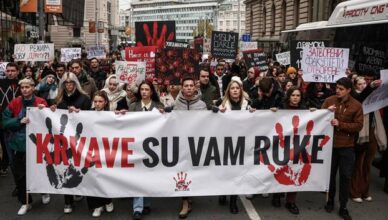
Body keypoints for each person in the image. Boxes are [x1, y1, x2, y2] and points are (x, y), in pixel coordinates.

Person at [2, 78, 48, 215]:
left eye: (27, 87)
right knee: (19, 175)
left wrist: (44, 111)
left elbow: (49, 121)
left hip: (36, 145)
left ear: (33, 88)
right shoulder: (15, 102)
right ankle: (25, 202)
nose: (25, 90)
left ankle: (44, 192)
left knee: (39, 171)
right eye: (22, 88)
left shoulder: (41, 102)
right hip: (18, 144)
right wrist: (18, 121)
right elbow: (4, 121)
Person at [164, 76, 207, 219]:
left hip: (196, 144)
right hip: (181, 144)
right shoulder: (176, 104)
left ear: (195, 88)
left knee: (193, 171)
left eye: (191, 85)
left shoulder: (201, 105)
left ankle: (189, 197)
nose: (188, 88)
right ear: (182, 88)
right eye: (186, 86)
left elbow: (208, 123)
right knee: (182, 172)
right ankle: (184, 202)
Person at [322, 77, 364, 220]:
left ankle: (343, 206)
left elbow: (358, 126)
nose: (337, 91)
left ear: (349, 90)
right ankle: (330, 201)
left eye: (341, 89)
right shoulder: (329, 100)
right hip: (330, 146)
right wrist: (326, 113)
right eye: (337, 88)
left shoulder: (357, 105)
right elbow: (319, 118)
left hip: (347, 147)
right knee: (330, 175)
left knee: (345, 177)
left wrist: (340, 124)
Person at [52, 72, 92, 214]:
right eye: (66, 83)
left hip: (80, 139)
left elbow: (90, 117)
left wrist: (79, 112)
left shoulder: (85, 98)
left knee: (79, 167)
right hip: (64, 140)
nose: (69, 85)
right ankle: (67, 200)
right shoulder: (58, 99)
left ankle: (79, 191)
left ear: (76, 83)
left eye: (71, 83)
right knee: (64, 166)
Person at [216, 76, 253, 214]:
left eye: (237, 88)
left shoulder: (248, 104)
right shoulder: (221, 103)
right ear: (228, 90)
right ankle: (223, 192)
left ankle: (233, 200)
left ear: (241, 90)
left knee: (237, 173)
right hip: (225, 143)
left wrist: (253, 113)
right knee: (225, 171)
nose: (235, 90)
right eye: (232, 88)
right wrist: (217, 112)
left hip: (241, 143)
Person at [128, 81, 164, 220]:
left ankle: (146, 203)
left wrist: (164, 114)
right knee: (138, 177)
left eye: (147, 89)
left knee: (148, 176)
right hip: (136, 146)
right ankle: (137, 208)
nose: (144, 92)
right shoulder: (133, 106)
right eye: (142, 89)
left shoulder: (159, 106)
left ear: (151, 92)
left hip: (153, 148)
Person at [270, 86, 309, 215]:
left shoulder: (305, 110)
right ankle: (277, 194)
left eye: (298, 95)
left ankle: (290, 201)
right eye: (293, 95)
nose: (295, 98)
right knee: (280, 169)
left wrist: (313, 113)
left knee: (295, 170)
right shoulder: (281, 108)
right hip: (282, 145)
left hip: (297, 146)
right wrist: (273, 112)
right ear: (289, 96)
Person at [350, 76, 386, 203]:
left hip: (372, 132)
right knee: (359, 164)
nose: (363, 85)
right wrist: (370, 87)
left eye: (364, 83)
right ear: (355, 86)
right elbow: (361, 97)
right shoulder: (354, 97)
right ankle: (355, 192)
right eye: (359, 84)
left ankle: (365, 191)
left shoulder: (372, 96)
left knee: (367, 165)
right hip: (361, 133)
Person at [86, 91, 114, 217]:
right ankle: (96, 205)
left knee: (105, 176)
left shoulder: (111, 115)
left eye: (100, 101)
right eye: (95, 101)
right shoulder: (86, 114)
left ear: (105, 102)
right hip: (90, 150)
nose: (97, 104)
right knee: (92, 177)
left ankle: (107, 200)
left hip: (105, 150)